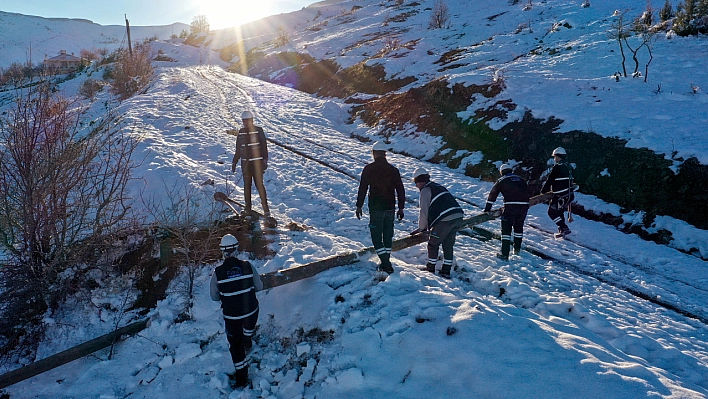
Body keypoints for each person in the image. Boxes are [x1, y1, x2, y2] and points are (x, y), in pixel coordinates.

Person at [210, 234, 263, 389]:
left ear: (222, 251)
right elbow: (259, 287)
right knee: (249, 320)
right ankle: (248, 337)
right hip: (251, 312)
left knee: (235, 345)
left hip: (232, 316)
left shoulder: (217, 273)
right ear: (237, 249)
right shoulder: (248, 266)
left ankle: (242, 377)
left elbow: (214, 297)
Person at [355, 141, 405, 274]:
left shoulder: (369, 169)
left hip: (376, 208)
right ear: (385, 154)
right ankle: (385, 261)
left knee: (376, 237)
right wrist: (401, 208)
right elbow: (400, 190)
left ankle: (386, 264)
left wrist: (359, 206)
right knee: (388, 236)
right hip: (390, 208)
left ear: (374, 153)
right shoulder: (394, 170)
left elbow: (363, 188)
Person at [411, 168, 464, 278]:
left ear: (419, 181)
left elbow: (424, 211)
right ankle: (446, 271)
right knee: (448, 244)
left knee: (433, 244)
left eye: (416, 183)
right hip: (458, 216)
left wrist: (421, 228)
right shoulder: (438, 187)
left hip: (445, 219)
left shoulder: (426, 190)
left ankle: (430, 269)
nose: (416, 186)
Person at [484, 164, 530, 260]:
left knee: (506, 228)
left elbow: (493, 195)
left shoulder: (502, 180)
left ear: (502, 172)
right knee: (518, 226)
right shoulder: (521, 179)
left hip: (511, 205)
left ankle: (504, 254)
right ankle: (517, 249)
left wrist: (487, 209)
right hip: (524, 206)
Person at [232, 110, 271, 217]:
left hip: (257, 164)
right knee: (247, 186)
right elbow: (238, 149)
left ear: (252, 120)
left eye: (247, 121)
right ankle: (248, 208)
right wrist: (235, 161)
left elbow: (264, 147)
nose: (245, 123)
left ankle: (266, 209)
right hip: (245, 165)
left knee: (259, 185)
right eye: (244, 121)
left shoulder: (259, 131)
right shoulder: (241, 132)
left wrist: (264, 161)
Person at [541, 147, 574, 238]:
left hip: (560, 195)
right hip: (569, 195)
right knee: (559, 212)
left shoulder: (558, 167)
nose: (554, 159)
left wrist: (543, 191)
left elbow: (550, 180)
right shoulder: (569, 166)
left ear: (559, 157)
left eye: (555, 157)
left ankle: (564, 228)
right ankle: (562, 229)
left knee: (551, 212)